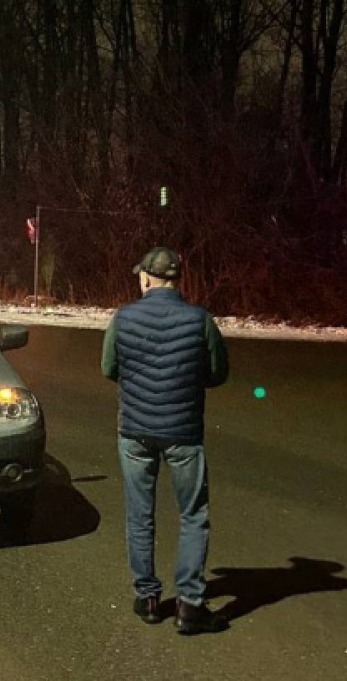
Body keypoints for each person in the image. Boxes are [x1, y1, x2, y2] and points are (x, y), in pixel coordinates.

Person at [101, 246, 230, 636]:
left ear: (146, 278)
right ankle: (190, 605)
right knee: (193, 515)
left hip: (135, 432)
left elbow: (109, 368)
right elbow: (218, 371)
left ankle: (148, 598)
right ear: (178, 280)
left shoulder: (123, 318)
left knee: (140, 515)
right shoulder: (200, 320)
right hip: (183, 433)